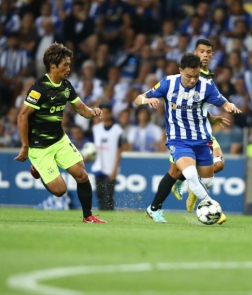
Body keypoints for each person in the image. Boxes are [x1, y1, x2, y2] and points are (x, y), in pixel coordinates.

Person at [136, 53, 241, 223]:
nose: (193, 80)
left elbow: (224, 102)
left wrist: (230, 107)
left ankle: (161, 200)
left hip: (202, 139)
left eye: (196, 76)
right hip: (178, 139)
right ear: (180, 71)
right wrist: (145, 101)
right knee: (191, 173)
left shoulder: (207, 86)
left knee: (205, 181)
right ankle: (212, 207)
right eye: (189, 76)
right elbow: (139, 98)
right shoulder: (168, 83)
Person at [14, 42, 106, 224]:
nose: (69, 68)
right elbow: (22, 117)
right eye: (65, 65)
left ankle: (88, 216)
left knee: (81, 174)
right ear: (53, 66)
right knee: (60, 190)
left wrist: (92, 112)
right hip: (39, 146)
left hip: (59, 140)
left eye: (69, 64)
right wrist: (25, 146)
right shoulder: (39, 88)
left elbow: (80, 107)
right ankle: (38, 168)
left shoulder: (65, 86)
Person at [161, 39, 228, 215]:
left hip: (202, 131)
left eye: (208, 52)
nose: (205, 55)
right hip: (182, 133)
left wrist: (211, 117)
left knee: (219, 164)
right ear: (195, 53)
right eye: (201, 51)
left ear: (212, 54)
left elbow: (199, 104)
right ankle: (158, 205)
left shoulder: (208, 76)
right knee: (175, 171)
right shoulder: (188, 74)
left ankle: (192, 189)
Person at [90, 104, 123, 210]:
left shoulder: (117, 130)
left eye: (107, 112)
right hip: (98, 166)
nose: (104, 115)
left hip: (110, 168)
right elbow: (92, 147)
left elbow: (119, 150)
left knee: (108, 196)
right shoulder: (96, 129)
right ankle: (102, 215)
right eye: (102, 112)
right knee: (99, 194)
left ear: (111, 113)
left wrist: (115, 169)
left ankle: (109, 216)